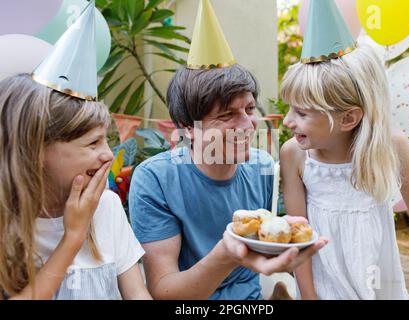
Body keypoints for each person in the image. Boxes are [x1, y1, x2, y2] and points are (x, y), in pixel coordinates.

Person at [129, 0, 327, 300]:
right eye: (226, 116)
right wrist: (227, 254)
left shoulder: (261, 165)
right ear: (187, 126)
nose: (248, 126)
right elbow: (164, 291)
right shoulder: (155, 179)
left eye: (249, 109)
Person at [280, 0, 409, 300]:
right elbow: (298, 236)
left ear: (348, 118)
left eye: (302, 113)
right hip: (323, 291)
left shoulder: (391, 146)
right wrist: (309, 296)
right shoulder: (294, 154)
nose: (288, 120)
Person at [0, 1, 151, 300]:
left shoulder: (105, 207)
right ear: (38, 150)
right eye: (93, 143)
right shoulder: (6, 219)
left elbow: (137, 294)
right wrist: (72, 237)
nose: (109, 155)